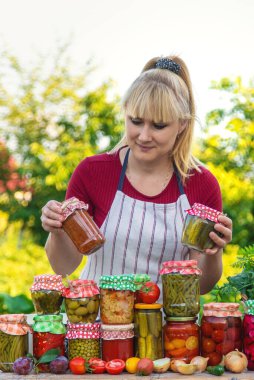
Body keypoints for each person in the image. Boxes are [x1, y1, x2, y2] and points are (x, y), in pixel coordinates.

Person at [41, 55, 232, 295]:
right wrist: (57, 231)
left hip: (167, 328)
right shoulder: (93, 172)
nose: (143, 135)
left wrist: (214, 252)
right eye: (136, 121)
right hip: (96, 323)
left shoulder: (201, 183)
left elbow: (202, 286)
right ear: (125, 114)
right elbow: (64, 267)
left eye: (159, 126)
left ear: (182, 124)